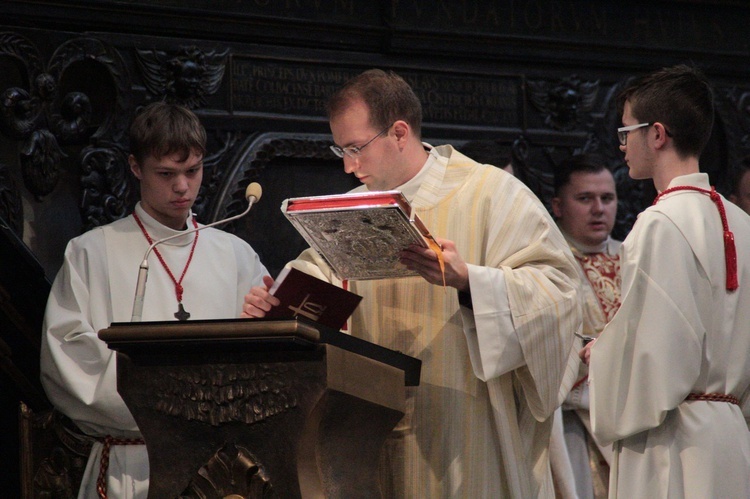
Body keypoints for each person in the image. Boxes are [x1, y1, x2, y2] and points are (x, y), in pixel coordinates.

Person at [243, 69, 583, 497]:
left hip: (461, 425)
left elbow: (560, 292)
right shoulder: (344, 211)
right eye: (340, 150)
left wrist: (469, 282)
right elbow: (319, 280)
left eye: (355, 148)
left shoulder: (491, 193)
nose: (348, 165)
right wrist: (277, 307)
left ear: (399, 132)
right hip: (365, 425)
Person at [39, 102, 269, 498]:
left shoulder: (234, 254)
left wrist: (262, 323)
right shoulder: (92, 252)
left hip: (221, 469)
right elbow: (68, 360)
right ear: (135, 167)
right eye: (166, 174)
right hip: (132, 463)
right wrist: (174, 410)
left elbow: (260, 365)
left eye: (192, 171)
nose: (182, 187)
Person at [582, 64, 750, 498]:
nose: (622, 146)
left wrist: (603, 354)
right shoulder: (743, 223)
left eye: (626, 132)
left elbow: (658, 356)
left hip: (673, 444)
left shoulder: (661, 223)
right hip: (732, 436)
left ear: (657, 134)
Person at [550, 153, 622, 499]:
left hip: (637, 420)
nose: (598, 209)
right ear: (558, 206)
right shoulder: (545, 265)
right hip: (574, 428)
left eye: (607, 198)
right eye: (585, 199)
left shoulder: (638, 255)